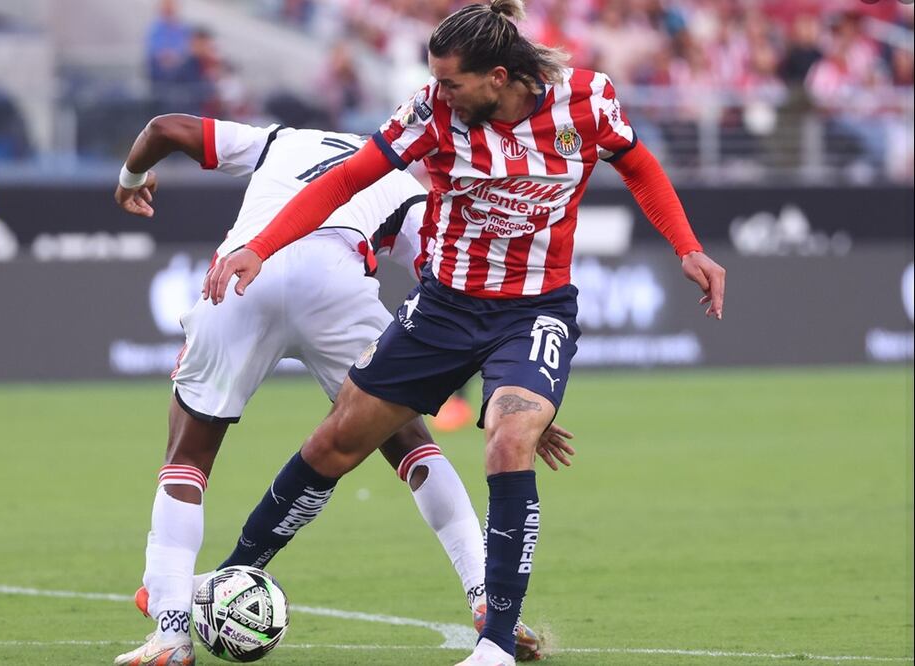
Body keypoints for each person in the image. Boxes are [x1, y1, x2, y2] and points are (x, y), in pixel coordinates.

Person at [205, 2, 727, 665]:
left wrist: (687, 247)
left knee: (510, 439)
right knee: (338, 442)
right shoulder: (432, 114)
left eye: (451, 82)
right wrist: (261, 244)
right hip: (444, 309)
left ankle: (497, 645)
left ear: (498, 77)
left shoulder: (588, 101)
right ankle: (234, 572)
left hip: (534, 312)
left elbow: (639, 165)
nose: (438, 92)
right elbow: (345, 180)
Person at [111, 113, 574, 666]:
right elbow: (459, 299)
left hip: (245, 272)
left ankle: (170, 633)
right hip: (338, 282)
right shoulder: (405, 182)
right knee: (412, 447)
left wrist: (132, 179)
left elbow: (165, 128)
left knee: (187, 458)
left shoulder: (277, 140)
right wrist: (518, 393)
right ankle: (484, 598)